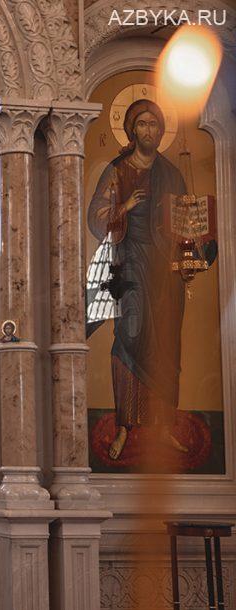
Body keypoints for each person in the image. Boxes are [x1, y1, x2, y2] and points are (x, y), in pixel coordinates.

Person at [87, 98, 216, 459]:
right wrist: (124, 207)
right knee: (129, 337)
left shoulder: (172, 173)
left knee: (166, 347)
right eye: (143, 125)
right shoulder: (117, 170)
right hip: (130, 265)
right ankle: (124, 429)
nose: (149, 131)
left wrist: (195, 236)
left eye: (155, 126)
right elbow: (97, 219)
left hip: (164, 272)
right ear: (131, 129)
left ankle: (163, 428)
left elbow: (185, 222)